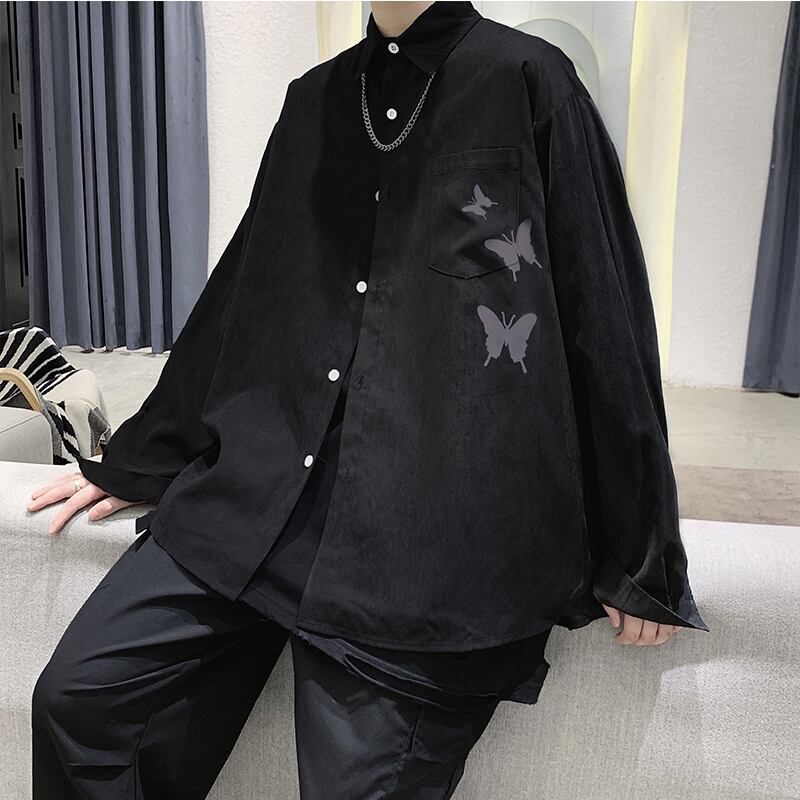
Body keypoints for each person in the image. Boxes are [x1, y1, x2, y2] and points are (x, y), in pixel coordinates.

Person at [26, 2, 710, 798]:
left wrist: (643, 550)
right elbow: (246, 294)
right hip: (262, 500)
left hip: (422, 538)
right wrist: (143, 459)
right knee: (82, 703)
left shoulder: (527, 80)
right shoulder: (314, 100)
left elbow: (603, 304)